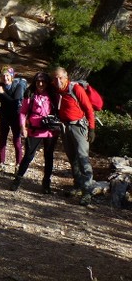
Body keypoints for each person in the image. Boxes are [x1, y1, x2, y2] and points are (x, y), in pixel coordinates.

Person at [51, 66, 96, 206]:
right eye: (55, 78)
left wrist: (92, 129)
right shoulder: (57, 90)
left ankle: (87, 191)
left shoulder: (75, 88)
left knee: (83, 158)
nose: (58, 80)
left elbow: (89, 108)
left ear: (66, 76)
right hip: (65, 127)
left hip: (78, 127)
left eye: (60, 77)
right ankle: (78, 185)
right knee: (72, 158)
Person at [12, 72, 60, 194]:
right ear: (34, 82)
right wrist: (23, 127)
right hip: (34, 129)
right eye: (38, 81)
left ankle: (46, 183)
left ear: (47, 83)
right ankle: (18, 179)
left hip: (50, 130)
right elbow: (23, 112)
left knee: (48, 156)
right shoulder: (31, 94)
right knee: (28, 155)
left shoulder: (53, 94)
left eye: (43, 81)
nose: (40, 84)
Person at [0, 66, 23, 176]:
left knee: (17, 142)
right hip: (4, 117)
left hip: (15, 117)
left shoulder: (18, 87)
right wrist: (0, 111)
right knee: (2, 141)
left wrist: (3, 93)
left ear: (12, 76)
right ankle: (1, 164)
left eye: (8, 75)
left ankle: (18, 165)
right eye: (3, 76)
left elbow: (15, 102)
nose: (5, 78)